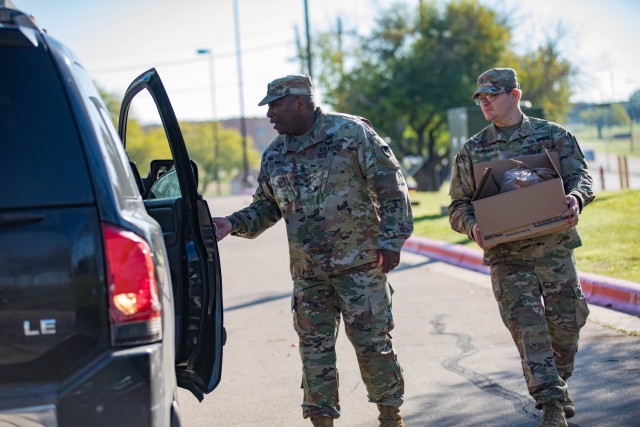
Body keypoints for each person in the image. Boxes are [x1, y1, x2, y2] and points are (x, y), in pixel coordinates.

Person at [212, 74, 413, 427]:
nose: (269, 114)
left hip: (360, 268)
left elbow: (391, 188)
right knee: (314, 356)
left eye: (275, 105)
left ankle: (389, 416)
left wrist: (391, 239)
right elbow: (266, 207)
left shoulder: (350, 134)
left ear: (300, 102)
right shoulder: (275, 153)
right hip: (309, 276)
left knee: (372, 347)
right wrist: (233, 223)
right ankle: (321, 421)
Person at [448, 68, 595, 427]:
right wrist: (473, 226)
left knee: (567, 325)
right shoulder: (473, 150)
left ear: (514, 95)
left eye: (491, 95)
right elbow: (457, 206)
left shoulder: (553, 135)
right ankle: (552, 404)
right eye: (480, 97)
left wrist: (576, 198)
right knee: (528, 328)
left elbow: (582, 178)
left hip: (553, 249)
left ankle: (557, 383)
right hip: (507, 257)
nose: (484, 102)